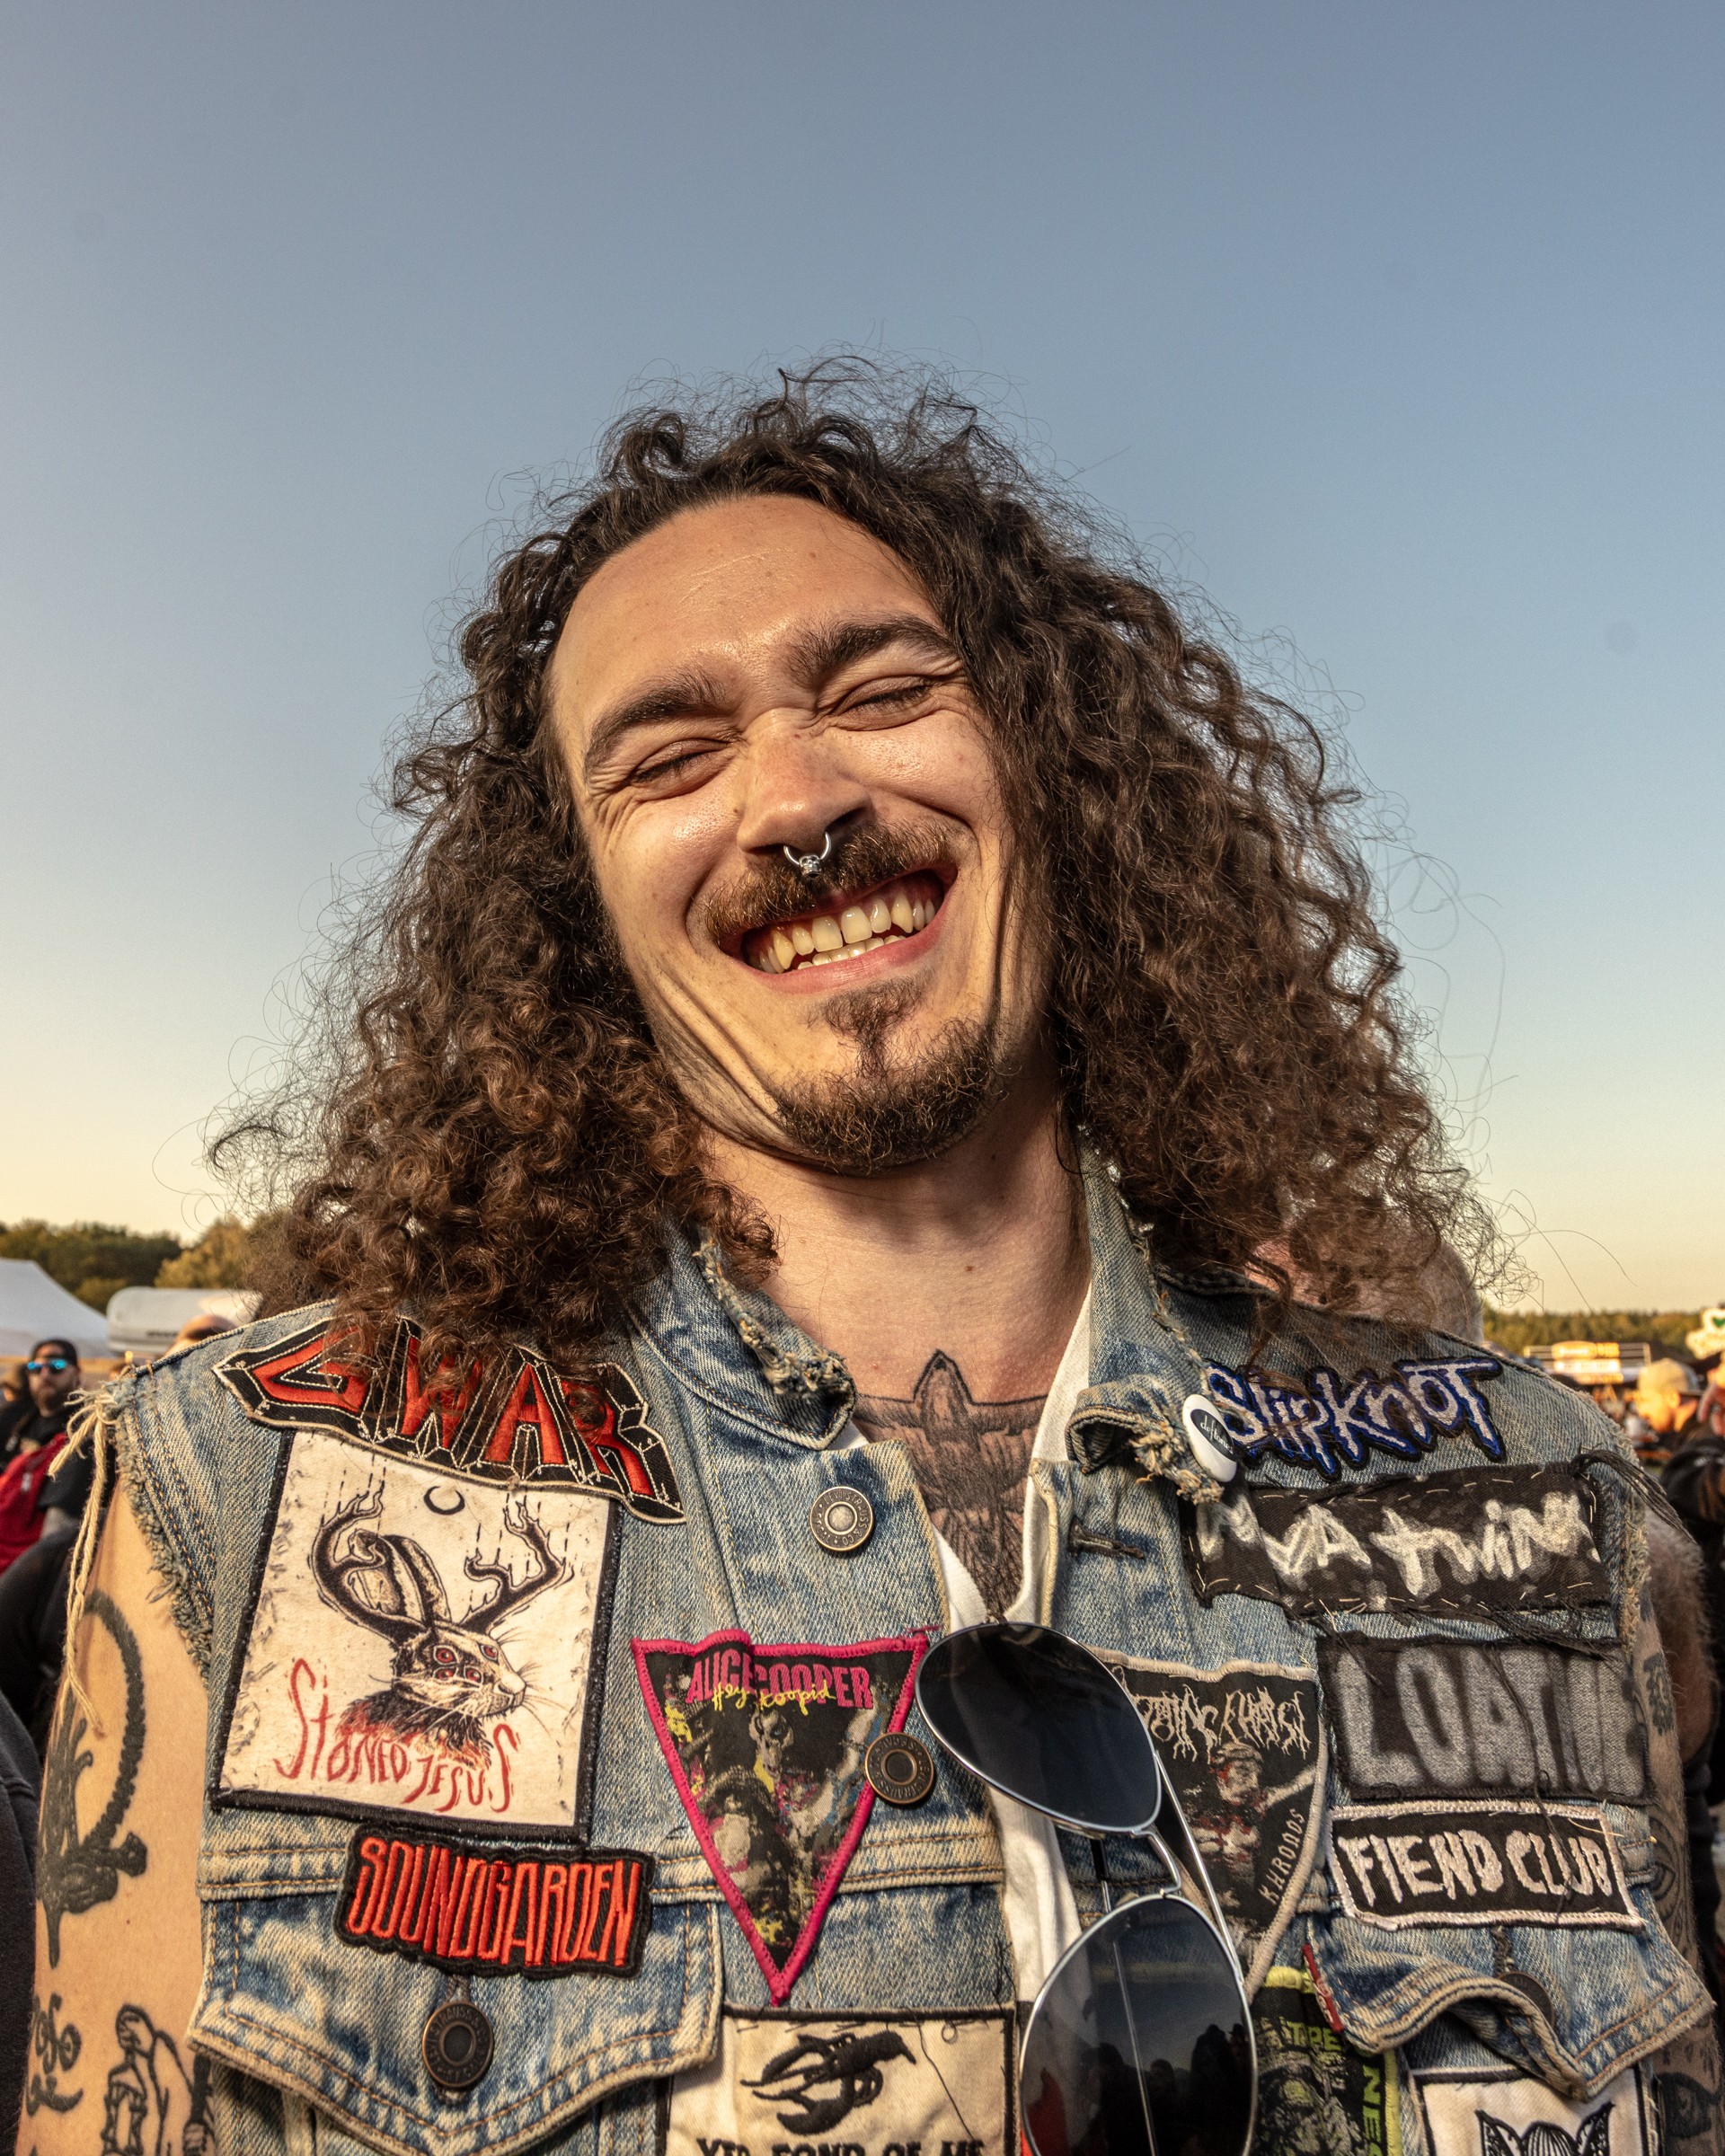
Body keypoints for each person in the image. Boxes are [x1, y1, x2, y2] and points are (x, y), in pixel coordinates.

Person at [24, 369, 1721, 2156]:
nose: (799, 799)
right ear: (578, 921)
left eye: (885, 691)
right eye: (670, 759)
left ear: (1054, 769)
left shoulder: (1535, 1496)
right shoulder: (251, 1490)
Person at [0, 1340, 79, 1572]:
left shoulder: (85, 1426)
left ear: (76, 1372)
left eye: (56, 1365)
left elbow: (59, 1533)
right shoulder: (17, 1420)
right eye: (36, 1367)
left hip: (34, 1565)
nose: (45, 1374)